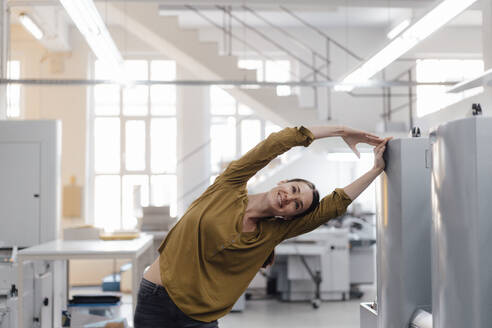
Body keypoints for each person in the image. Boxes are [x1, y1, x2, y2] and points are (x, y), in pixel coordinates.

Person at [134, 125, 390, 328]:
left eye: (297, 205)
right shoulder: (229, 186)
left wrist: (376, 169)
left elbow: (333, 206)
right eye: (293, 189)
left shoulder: (273, 233)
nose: (289, 198)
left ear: (291, 217)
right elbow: (276, 143)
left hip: (199, 319)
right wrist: (342, 131)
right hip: (155, 299)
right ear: (283, 181)